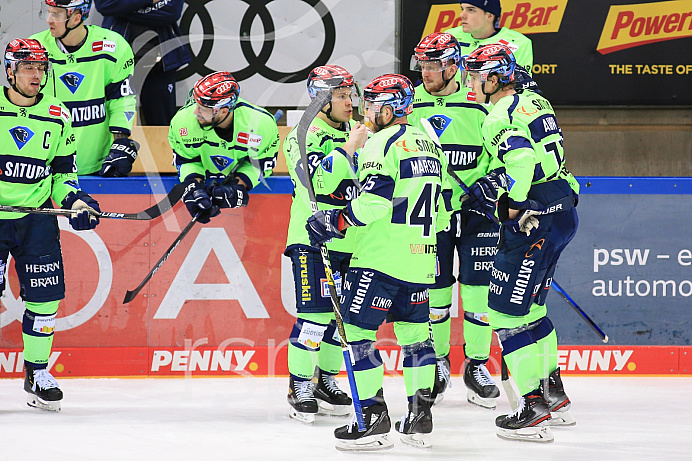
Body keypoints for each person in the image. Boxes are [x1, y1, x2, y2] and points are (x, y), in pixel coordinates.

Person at [306, 74, 451, 451]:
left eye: (372, 106)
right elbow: (444, 211)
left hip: (379, 259)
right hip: (421, 259)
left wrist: (333, 221)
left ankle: (371, 417)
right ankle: (420, 415)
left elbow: (373, 202)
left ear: (389, 109)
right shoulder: (430, 144)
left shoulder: (381, 144)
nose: (366, 113)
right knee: (417, 338)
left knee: (356, 335)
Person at [463, 43, 579, 442]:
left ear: (495, 79)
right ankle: (553, 393)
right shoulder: (535, 100)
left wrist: (510, 205)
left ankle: (532, 408)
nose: (471, 82)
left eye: (477, 76)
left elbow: (522, 160)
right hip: (563, 209)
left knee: (505, 315)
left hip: (534, 219)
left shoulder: (499, 113)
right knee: (533, 309)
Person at [0, 38, 101, 412]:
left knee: (45, 300)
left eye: (41, 68)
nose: (36, 75)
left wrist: (77, 200)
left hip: (36, 219)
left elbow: (62, 173)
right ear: (10, 71)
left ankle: (37, 373)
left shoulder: (58, 114)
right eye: (27, 68)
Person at [410, 32, 502, 409]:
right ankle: (440, 362)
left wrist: (488, 185)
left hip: (478, 209)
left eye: (432, 65)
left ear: (452, 66)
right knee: (436, 291)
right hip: (431, 211)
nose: (424, 72)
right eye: (422, 65)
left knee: (479, 291)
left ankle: (477, 365)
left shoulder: (479, 100)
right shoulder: (408, 102)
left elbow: (503, 147)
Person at [282, 65, 368, 424]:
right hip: (313, 238)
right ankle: (299, 383)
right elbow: (317, 181)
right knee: (315, 316)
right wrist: (349, 150)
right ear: (320, 99)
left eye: (351, 95)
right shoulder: (302, 135)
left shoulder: (358, 130)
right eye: (341, 96)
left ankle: (326, 381)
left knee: (342, 318)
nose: (350, 103)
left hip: (352, 238)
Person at [31, 0, 139, 177]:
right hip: (46, 167)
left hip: (97, 165)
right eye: (48, 12)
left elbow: (121, 99)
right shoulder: (35, 47)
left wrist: (121, 143)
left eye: (56, 14)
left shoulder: (113, 46)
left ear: (76, 18)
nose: (49, 19)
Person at [170, 71, 279, 224]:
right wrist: (194, 188)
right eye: (196, 104)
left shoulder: (261, 124)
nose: (195, 112)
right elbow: (186, 160)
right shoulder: (182, 122)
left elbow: (261, 164)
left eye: (203, 108)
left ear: (223, 111)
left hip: (254, 215)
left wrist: (238, 186)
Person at [94, 0, 192, 126]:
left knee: (161, 126)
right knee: (115, 123)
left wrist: (123, 9)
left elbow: (172, 12)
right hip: (118, 63)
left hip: (159, 64)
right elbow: (105, 5)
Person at [447, 1, 533, 76]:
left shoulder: (518, 42)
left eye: (471, 10)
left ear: (489, 16)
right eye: (462, 9)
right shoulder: (450, 36)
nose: (462, 15)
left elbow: (521, 87)